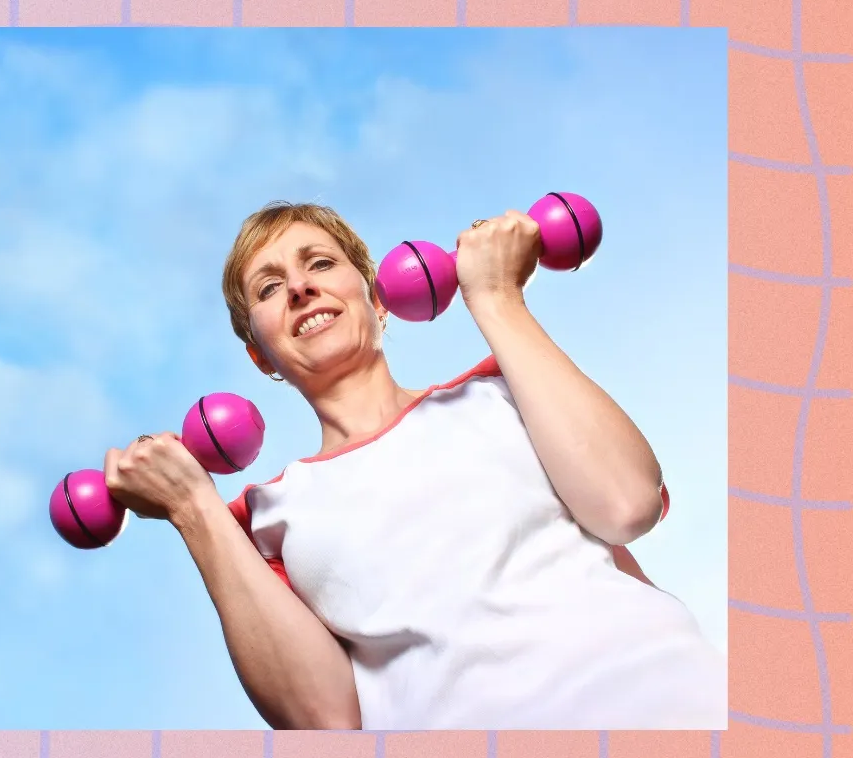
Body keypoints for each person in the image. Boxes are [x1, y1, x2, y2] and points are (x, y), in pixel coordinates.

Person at [102, 201, 726, 730]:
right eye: (268, 288)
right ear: (259, 354)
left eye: (319, 263)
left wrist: (496, 295)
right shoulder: (267, 522)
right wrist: (193, 509)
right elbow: (324, 722)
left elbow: (627, 503)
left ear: (377, 296)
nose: (299, 287)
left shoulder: (505, 394)